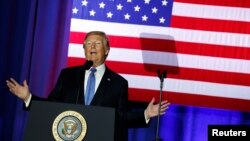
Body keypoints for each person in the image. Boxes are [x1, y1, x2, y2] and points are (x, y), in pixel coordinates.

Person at [6, 31, 170, 141]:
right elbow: (51, 107)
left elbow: (122, 117)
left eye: (97, 43)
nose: (91, 46)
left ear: (107, 50)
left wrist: (145, 114)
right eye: (88, 43)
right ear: (84, 48)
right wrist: (29, 98)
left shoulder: (119, 83)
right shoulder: (67, 75)